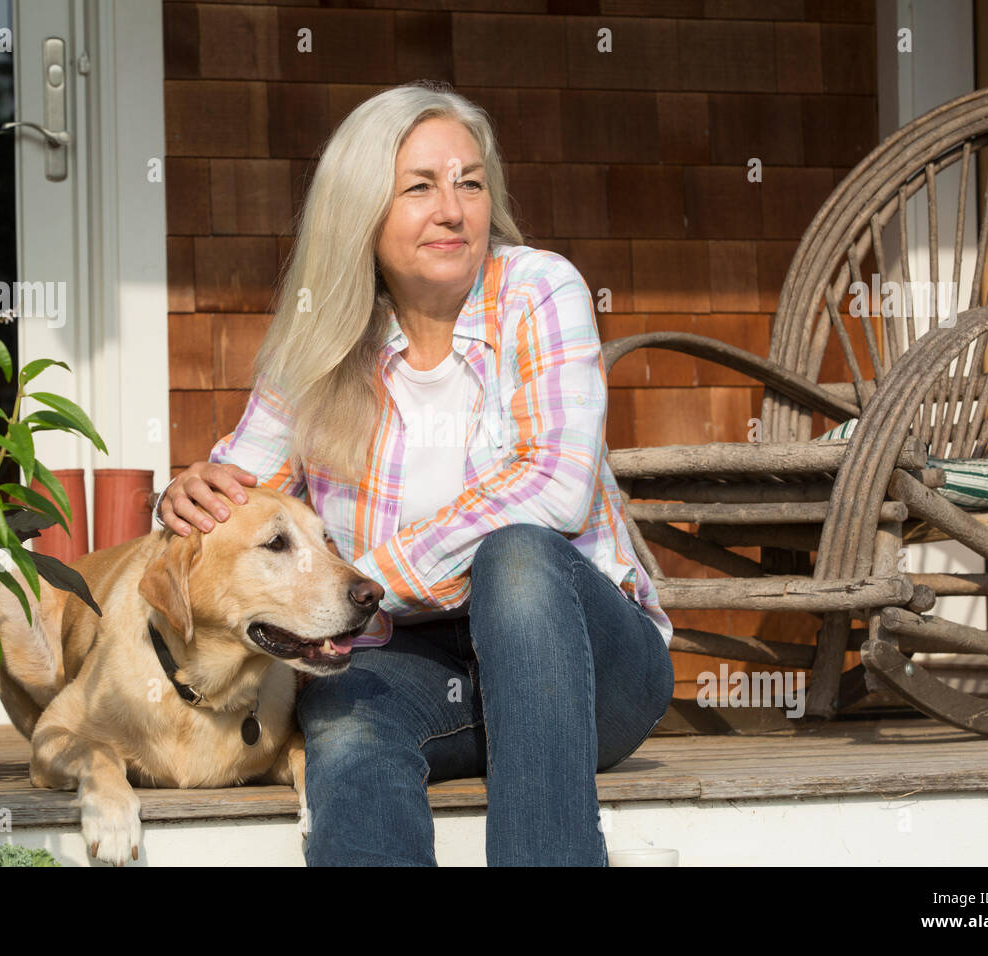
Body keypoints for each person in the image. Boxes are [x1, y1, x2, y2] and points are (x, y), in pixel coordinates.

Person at [156, 80, 675, 866]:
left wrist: (355, 586)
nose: (454, 209)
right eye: (420, 187)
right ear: (360, 210)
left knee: (519, 554)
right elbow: (238, 494)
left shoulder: (538, 289)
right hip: (424, 668)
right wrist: (185, 502)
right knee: (347, 716)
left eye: (470, 183)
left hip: (596, 669)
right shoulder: (319, 340)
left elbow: (553, 488)